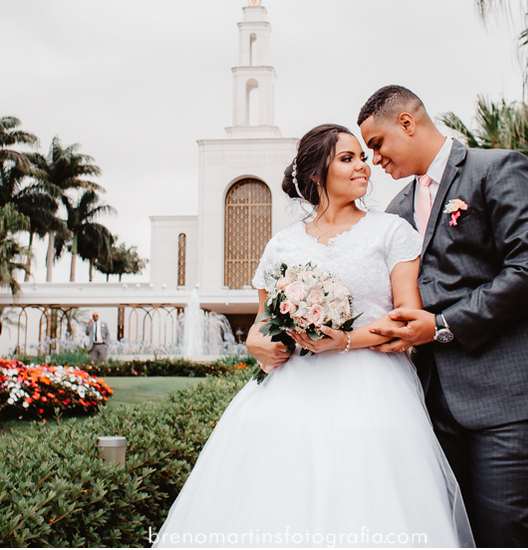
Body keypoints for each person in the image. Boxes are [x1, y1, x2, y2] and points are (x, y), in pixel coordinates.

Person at [155, 124, 473, 548]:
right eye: (348, 158)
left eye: (363, 156)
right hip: (290, 391)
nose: (364, 165)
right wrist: (255, 342)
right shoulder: (282, 245)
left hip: (374, 387)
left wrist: (343, 341)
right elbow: (264, 321)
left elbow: (408, 320)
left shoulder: (391, 232)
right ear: (315, 174)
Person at [356, 85, 528, 548]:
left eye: (376, 145)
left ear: (407, 123)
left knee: (507, 537)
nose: (373, 160)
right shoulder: (396, 212)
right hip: (435, 407)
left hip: (511, 399)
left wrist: (441, 325)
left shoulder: (496, 169)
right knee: (455, 537)